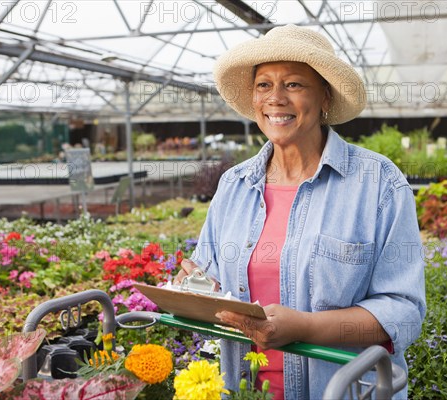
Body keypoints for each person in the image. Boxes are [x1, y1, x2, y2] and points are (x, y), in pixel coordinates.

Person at [175, 24, 426, 400]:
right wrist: (196, 290)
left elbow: (402, 311)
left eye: (293, 84)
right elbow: (210, 279)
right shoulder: (234, 185)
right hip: (245, 389)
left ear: (325, 96)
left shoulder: (378, 183)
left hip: (341, 391)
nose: (275, 98)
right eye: (263, 85)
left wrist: (305, 327)